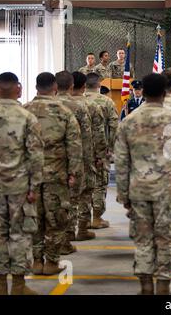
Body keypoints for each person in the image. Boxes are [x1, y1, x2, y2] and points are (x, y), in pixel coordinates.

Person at [114, 73, 171, 295]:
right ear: (164, 93)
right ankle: (163, 288)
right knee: (166, 239)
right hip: (166, 191)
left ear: (143, 92)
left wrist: (123, 195)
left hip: (138, 190)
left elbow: (121, 162)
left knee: (142, 240)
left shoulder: (129, 121)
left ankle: (145, 287)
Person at [25, 72, 83, 275]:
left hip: (29, 177)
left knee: (33, 218)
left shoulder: (25, 110)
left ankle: (36, 261)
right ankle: (51, 262)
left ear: (35, 87)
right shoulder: (64, 112)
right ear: (55, 87)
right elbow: (74, 146)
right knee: (56, 219)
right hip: (56, 176)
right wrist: (74, 173)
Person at [0, 72, 44, 295]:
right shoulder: (26, 117)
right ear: (18, 89)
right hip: (20, 187)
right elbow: (35, 155)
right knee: (20, 234)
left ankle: (0, 285)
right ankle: (20, 285)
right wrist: (34, 187)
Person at [56, 70, 95, 250]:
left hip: (48, 162)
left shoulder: (32, 106)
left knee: (52, 201)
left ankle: (56, 240)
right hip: (74, 158)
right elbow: (86, 138)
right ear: (71, 86)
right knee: (74, 196)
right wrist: (88, 162)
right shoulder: (79, 106)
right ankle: (72, 232)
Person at [71, 71, 107, 240]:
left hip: (58, 160)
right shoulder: (92, 106)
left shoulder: (57, 105)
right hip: (87, 156)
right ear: (83, 87)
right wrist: (101, 155)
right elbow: (100, 133)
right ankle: (82, 230)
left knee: (65, 196)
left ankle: (67, 233)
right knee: (86, 192)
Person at [85, 73, 119, 229]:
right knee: (99, 183)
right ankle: (96, 218)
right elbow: (114, 126)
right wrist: (110, 148)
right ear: (99, 84)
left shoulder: (77, 100)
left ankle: (81, 220)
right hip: (100, 148)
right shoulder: (106, 101)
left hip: (79, 150)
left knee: (82, 185)